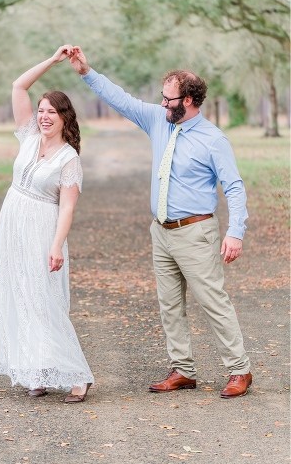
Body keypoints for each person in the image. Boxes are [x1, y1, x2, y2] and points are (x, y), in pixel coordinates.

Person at [68, 45, 252, 398]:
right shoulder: (159, 121)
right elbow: (122, 100)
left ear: (189, 101)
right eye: (163, 98)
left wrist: (235, 232)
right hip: (162, 232)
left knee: (213, 302)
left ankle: (239, 370)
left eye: (169, 99)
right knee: (169, 305)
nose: (162, 104)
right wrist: (86, 72)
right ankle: (182, 370)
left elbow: (234, 186)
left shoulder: (213, 139)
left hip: (196, 232)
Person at [0, 45, 94, 404]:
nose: (44, 116)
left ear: (65, 118)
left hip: (42, 230)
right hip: (12, 227)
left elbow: (67, 209)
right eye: (41, 110)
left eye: (52, 112)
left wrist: (55, 246)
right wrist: (52, 60)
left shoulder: (69, 158)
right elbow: (19, 86)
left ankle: (79, 376)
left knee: (43, 301)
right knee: (17, 296)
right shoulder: (28, 136)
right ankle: (38, 371)